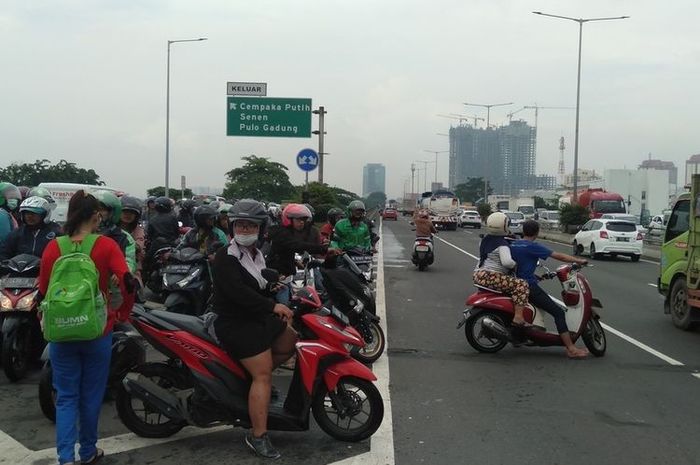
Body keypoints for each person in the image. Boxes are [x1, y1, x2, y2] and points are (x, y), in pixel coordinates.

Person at [38, 190, 135, 465]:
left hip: (61, 331)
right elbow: (126, 282)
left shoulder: (53, 247)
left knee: (66, 396)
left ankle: (65, 458)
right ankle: (88, 451)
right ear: (96, 216)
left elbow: (45, 289)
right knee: (91, 395)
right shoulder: (106, 246)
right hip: (97, 330)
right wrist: (119, 313)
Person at [211, 199, 296, 459]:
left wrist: (274, 286)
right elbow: (238, 294)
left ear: (261, 228)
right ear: (232, 226)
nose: (245, 230)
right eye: (241, 225)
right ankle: (257, 435)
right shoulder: (226, 257)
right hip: (236, 323)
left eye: (251, 225)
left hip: (255, 317)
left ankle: (246, 383)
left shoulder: (256, 254)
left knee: (290, 340)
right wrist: (273, 307)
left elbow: (257, 284)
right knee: (263, 375)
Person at [510, 219, 590, 358]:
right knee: (558, 313)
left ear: (523, 231)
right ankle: (571, 348)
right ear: (536, 232)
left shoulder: (514, 244)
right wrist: (578, 260)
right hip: (528, 286)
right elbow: (558, 255)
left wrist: (536, 276)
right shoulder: (532, 246)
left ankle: (519, 337)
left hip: (514, 283)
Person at [473, 212, 530, 326]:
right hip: (491, 276)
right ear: (504, 226)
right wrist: (516, 264)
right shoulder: (502, 244)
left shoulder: (485, 240)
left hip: (479, 274)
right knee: (522, 285)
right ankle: (518, 317)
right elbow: (507, 262)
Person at [266, 204, 329, 304]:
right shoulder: (281, 233)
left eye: (303, 220)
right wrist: (324, 249)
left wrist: (295, 262)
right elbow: (297, 245)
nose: (302, 223)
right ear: (288, 219)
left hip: (286, 277)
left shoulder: (289, 232)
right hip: (279, 279)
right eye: (298, 220)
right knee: (286, 306)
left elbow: (283, 252)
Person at [119, 196, 146, 284]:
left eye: (132, 213)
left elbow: (138, 246)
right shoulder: (111, 229)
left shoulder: (138, 230)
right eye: (125, 212)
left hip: (133, 269)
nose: (128, 215)